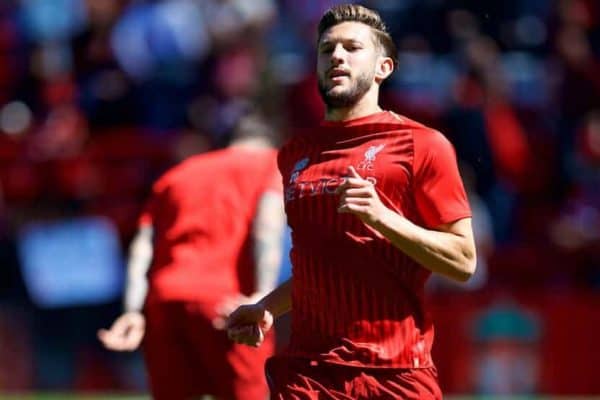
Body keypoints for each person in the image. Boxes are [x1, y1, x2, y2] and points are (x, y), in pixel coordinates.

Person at [226, 4, 476, 399]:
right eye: (327, 50)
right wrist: (269, 306)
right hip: (308, 374)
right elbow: (326, 264)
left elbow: (463, 262)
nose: (337, 56)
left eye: (352, 47)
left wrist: (381, 217)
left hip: (394, 374)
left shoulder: (422, 145)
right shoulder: (295, 153)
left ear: (384, 68)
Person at [97, 113, 286, 400]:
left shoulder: (179, 173)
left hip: (164, 301)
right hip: (228, 304)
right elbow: (268, 222)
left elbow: (144, 243)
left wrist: (133, 310)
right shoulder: (272, 163)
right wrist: (263, 294)